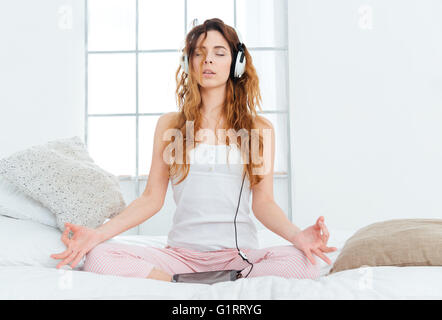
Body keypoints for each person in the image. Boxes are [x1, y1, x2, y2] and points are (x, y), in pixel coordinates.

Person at [51, 18, 336, 282]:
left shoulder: (259, 129)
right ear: (189, 63)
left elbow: (264, 204)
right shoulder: (170, 125)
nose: (208, 59)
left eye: (219, 52)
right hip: (181, 257)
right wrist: (97, 235)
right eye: (199, 53)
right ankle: (184, 283)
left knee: (305, 264)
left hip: (239, 257)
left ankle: (220, 280)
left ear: (237, 63)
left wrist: (298, 236)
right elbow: (151, 198)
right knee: (100, 257)